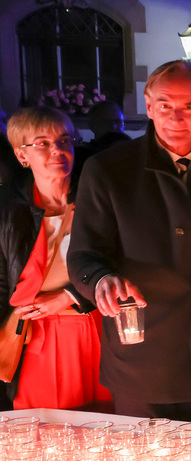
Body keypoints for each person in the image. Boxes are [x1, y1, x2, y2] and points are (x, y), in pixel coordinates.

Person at [68, 60, 191, 421]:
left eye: (188, 106)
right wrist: (101, 280)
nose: (176, 117)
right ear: (149, 106)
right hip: (142, 357)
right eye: (165, 105)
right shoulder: (109, 169)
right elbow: (83, 255)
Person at [1, 106, 110, 409]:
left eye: (63, 140)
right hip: (38, 335)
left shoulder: (99, 199)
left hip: (99, 323)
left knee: (109, 428)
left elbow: (122, 260)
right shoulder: (8, 210)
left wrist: (69, 296)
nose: (57, 150)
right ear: (21, 155)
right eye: (42, 143)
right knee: (49, 431)